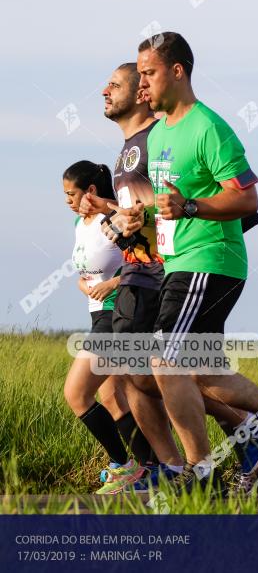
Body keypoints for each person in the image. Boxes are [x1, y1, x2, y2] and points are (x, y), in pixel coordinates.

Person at [128, 32, 258, 492]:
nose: (142, 85)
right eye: (139, 75)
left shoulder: (209, 127)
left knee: (163, 359)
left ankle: (198, 470)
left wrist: (191, 207)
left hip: (210, 260)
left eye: (149, 73)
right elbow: (174, 199)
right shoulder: (162, 132)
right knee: (201, 370)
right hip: (182, 260)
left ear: (177, 71)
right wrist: (146, 213)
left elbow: (247, 198)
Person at [80, 62, 258, 494]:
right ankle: (184, 467)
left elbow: (245, 208)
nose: (104, 91)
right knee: (145, 375)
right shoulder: (129, 147)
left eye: (116, 84)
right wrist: (118, 218)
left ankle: (218, 453)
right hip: (143, 271)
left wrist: (182, 227)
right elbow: (145, 212)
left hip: (165, 273)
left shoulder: (164, 135)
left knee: (165, 371)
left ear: (142, 91)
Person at [61, 160, 148, 494]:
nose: (68, 200)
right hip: (96, 315)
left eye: (72, 193)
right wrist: (84, 286)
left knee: (77, 393)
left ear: (91, 191)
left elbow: (145, 261)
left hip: (116, 315)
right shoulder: (78, 224)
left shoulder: (110, 220)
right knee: (112, 397)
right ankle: (148, 469)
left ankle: (122, 465)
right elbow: (85, 273)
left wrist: (112, 284)